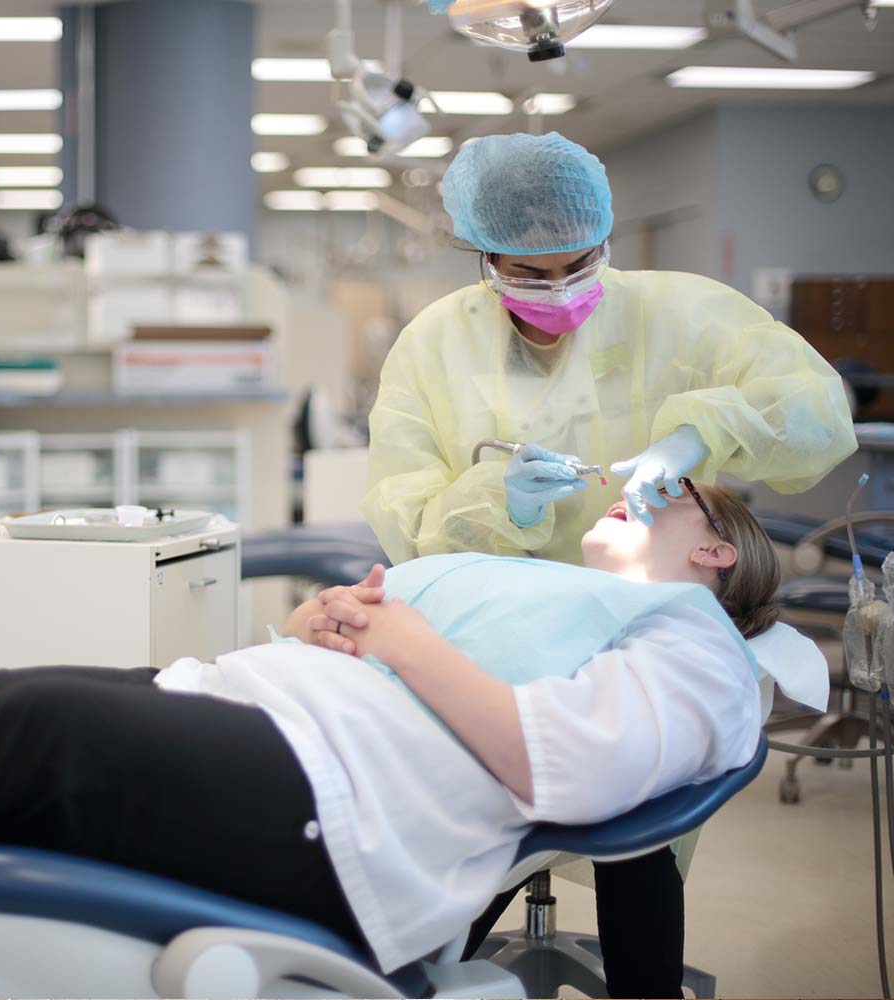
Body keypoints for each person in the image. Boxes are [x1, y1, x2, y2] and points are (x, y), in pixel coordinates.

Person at [0, 483, 779, 982]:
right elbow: (392, 643)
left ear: (718, 550)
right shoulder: (560, 597)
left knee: (36, 738)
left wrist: (404, 640)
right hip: (244, 703)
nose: (635, 490)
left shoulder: (697, 648)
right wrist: (328, 619)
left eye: (675, 493)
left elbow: (572, 766)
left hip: (334, 793)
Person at [359, 130, 857, 996]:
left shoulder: (681, 313)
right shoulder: (432, 346)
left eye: (577, 264)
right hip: (502, 639)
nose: (557, 289)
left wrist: (709, 428)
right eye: (528, 272)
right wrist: (495, 503)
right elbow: (407, 522)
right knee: (478, 832)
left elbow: (817, 411)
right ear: (483, 257)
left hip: (632, 632)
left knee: (634, 837)